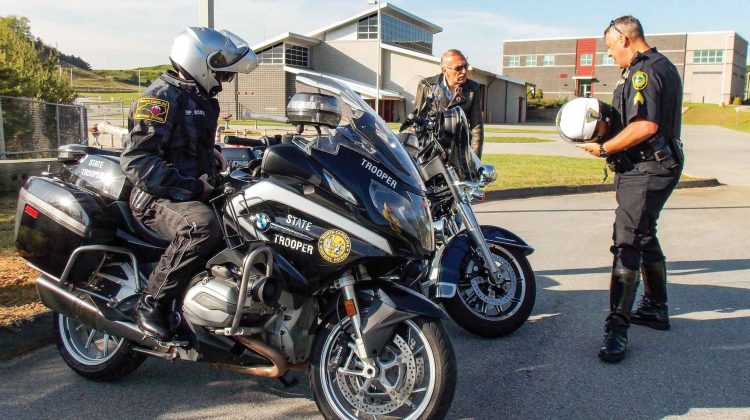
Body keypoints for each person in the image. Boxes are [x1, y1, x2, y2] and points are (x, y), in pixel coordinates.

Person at [120, 27, 258, 341]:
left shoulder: (200, 98)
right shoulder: (160, 99)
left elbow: (187, 145)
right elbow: (138, 160)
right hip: (156, 197)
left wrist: (214, 155)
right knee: (202, 226)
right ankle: (153, 302)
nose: (225, 82)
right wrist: (192, 187)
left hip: (189, 191)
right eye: (222, 75)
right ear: (201, 63)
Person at [575, 16, 684, 363]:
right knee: (643, 233)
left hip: (648, 168)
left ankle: (616, 329)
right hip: (650, 165)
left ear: (624, 38)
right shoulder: (657, 66)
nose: (609, 55)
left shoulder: (644, 71)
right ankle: (655, 307)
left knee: (627, 240)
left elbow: (646, 125)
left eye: (609, 47)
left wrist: (605, 148)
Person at [414, 49, 484, 157]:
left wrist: (474, 160)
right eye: (458, 68)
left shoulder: (473, 89)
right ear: (444, 70)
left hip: (458, 153)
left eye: (465, 66)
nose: (464, 71)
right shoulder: (427, 86)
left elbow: (476, 128)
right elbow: (415, 121)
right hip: (430, 150)